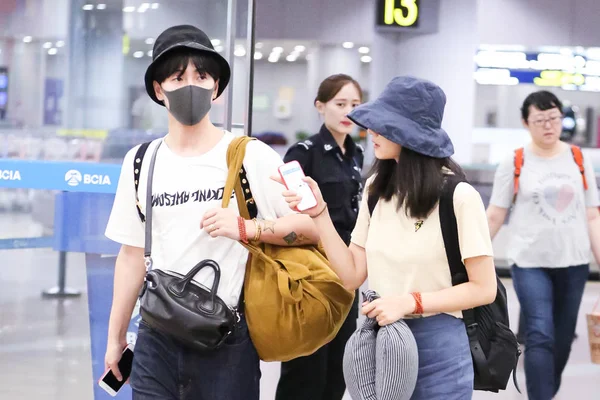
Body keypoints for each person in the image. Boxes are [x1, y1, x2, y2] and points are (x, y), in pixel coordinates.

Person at [103, 25, 319, 400]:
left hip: (227, 340)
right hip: (157, 338)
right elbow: (131, 255)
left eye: (201, 76)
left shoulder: (247, 154)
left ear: (216, 87)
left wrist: (247, 228)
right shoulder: (140, 161)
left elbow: (309, 227)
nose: (191, 86)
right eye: (177, 76)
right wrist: (116, 338)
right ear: (158, 89)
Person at [275, 75, 498, 399]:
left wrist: (410, 301)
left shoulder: (459, 196)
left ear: (411, 135)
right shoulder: (376, 189)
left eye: (384, 125)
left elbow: (484, 288)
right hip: (381, 342)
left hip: (440, 346)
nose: (372, 132)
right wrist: (320, 214)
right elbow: (351, 274)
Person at [486, 90, 600, 400]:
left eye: (554, 118)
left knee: (562, 340)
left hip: (574, 262)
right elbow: (496, 213)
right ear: (526, 122)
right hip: (529, 261)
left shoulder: (579, 158)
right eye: (540, 120)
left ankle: (545, 393)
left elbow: (592, 215)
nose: (549, 125)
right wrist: (472, 255)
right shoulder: (515, 160)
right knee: (539, 334)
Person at [275, 74, 364, 400]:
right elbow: (287, 214)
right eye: (340, 104)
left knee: (338, 368)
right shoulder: (305, 152)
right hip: (311, 270)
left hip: (347, 270)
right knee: (305, 368)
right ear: (320, 106)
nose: (348, 112)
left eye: (355, 105)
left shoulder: (356, 154)